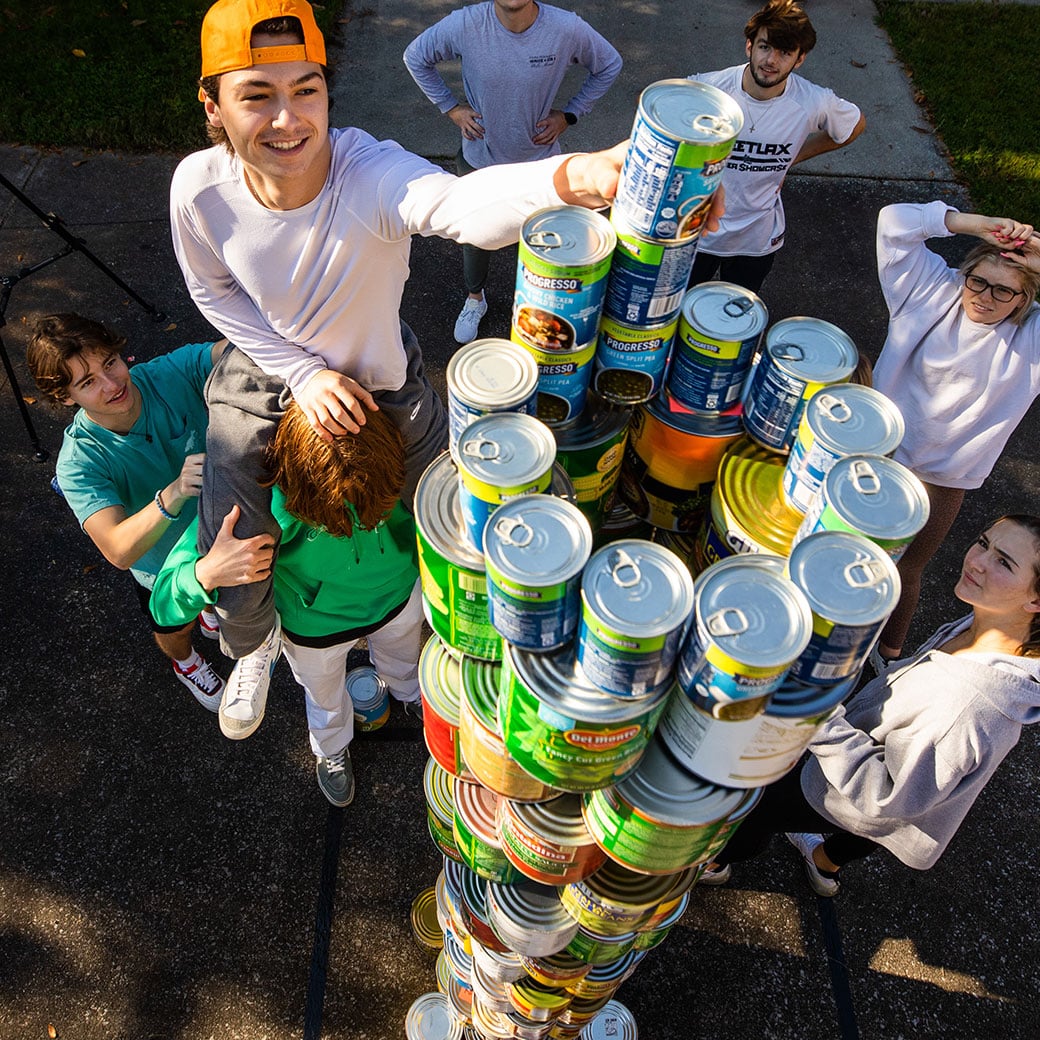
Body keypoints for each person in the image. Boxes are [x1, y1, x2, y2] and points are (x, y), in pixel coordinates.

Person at [168, 0, 650, 742]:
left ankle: (451, 628)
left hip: (382, 378)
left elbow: (458, 205)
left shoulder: (366, 170)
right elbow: (213, 291)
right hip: (266, 371)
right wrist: (299, 371)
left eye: (306, 89)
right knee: (234, 527)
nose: (289, 119)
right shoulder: (197, 189)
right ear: (213, 105)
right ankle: (254, 647)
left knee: (447, 498)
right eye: (257, 95)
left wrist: (575, 177)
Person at [700, 514, 1040, 896]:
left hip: (849, 788)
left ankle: (716, 863)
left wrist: (816, 712)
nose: (977, 561)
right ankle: (823, 862)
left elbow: (884, 797)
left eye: (1004, 562)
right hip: (902, 780)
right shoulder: (988, 624)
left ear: (1035, 600)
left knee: (755, 809)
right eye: (983, 542)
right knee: (887, 828)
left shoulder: (968, 709)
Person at [151, 400, 422, 804]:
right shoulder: (259, 503)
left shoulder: (392, 459)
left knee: (405, 663)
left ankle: (410, 695)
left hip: (399, 599)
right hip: (314, 628)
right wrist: (206, 572)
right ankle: (330, 749)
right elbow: (165, 598)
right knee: (324, 696)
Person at [25, 313, 228, 710]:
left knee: (211, 597)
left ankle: (207, 612)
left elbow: (233, 351)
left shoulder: (167, 373)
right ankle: (185, 662)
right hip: (162, 567)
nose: (113, 384)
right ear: (65, 397)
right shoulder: (78, 463)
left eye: (110, 364)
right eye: (88, 383)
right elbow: (118, 550)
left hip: (215, 535)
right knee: (173, 623)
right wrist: (172, 494)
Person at [870, 202, 1040, 666]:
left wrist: (1034, 256)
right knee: (842, 543)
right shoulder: (927, 291)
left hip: (943, 480)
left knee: (908, 568)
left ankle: (888, 657)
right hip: (877, 453)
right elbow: (894, 222)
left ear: (1024, 301)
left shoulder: (1031, 338)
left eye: (1004, 292)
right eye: (978, 281)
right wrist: (977, 224)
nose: (985, 297)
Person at [403, 0, 622, 344]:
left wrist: (570, 114)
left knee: (543, 245)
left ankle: (540, 309)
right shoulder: (466, 24)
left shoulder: (566, 29)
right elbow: (415, 56)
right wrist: (452, 109)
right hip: (479, 160)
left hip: (541, 165)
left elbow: (609, 64)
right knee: (474, 239)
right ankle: (475, 299)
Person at [686, 0, 865, 293]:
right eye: (765, 47)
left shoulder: (812, 101)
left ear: (800, 59)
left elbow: (853, 126)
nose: (771, 61)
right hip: (697, 233)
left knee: (733, 321)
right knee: (677, 316)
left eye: (785, 53)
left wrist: (793, 158)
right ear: (749, 46)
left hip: (755, 241)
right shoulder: (709, 89)